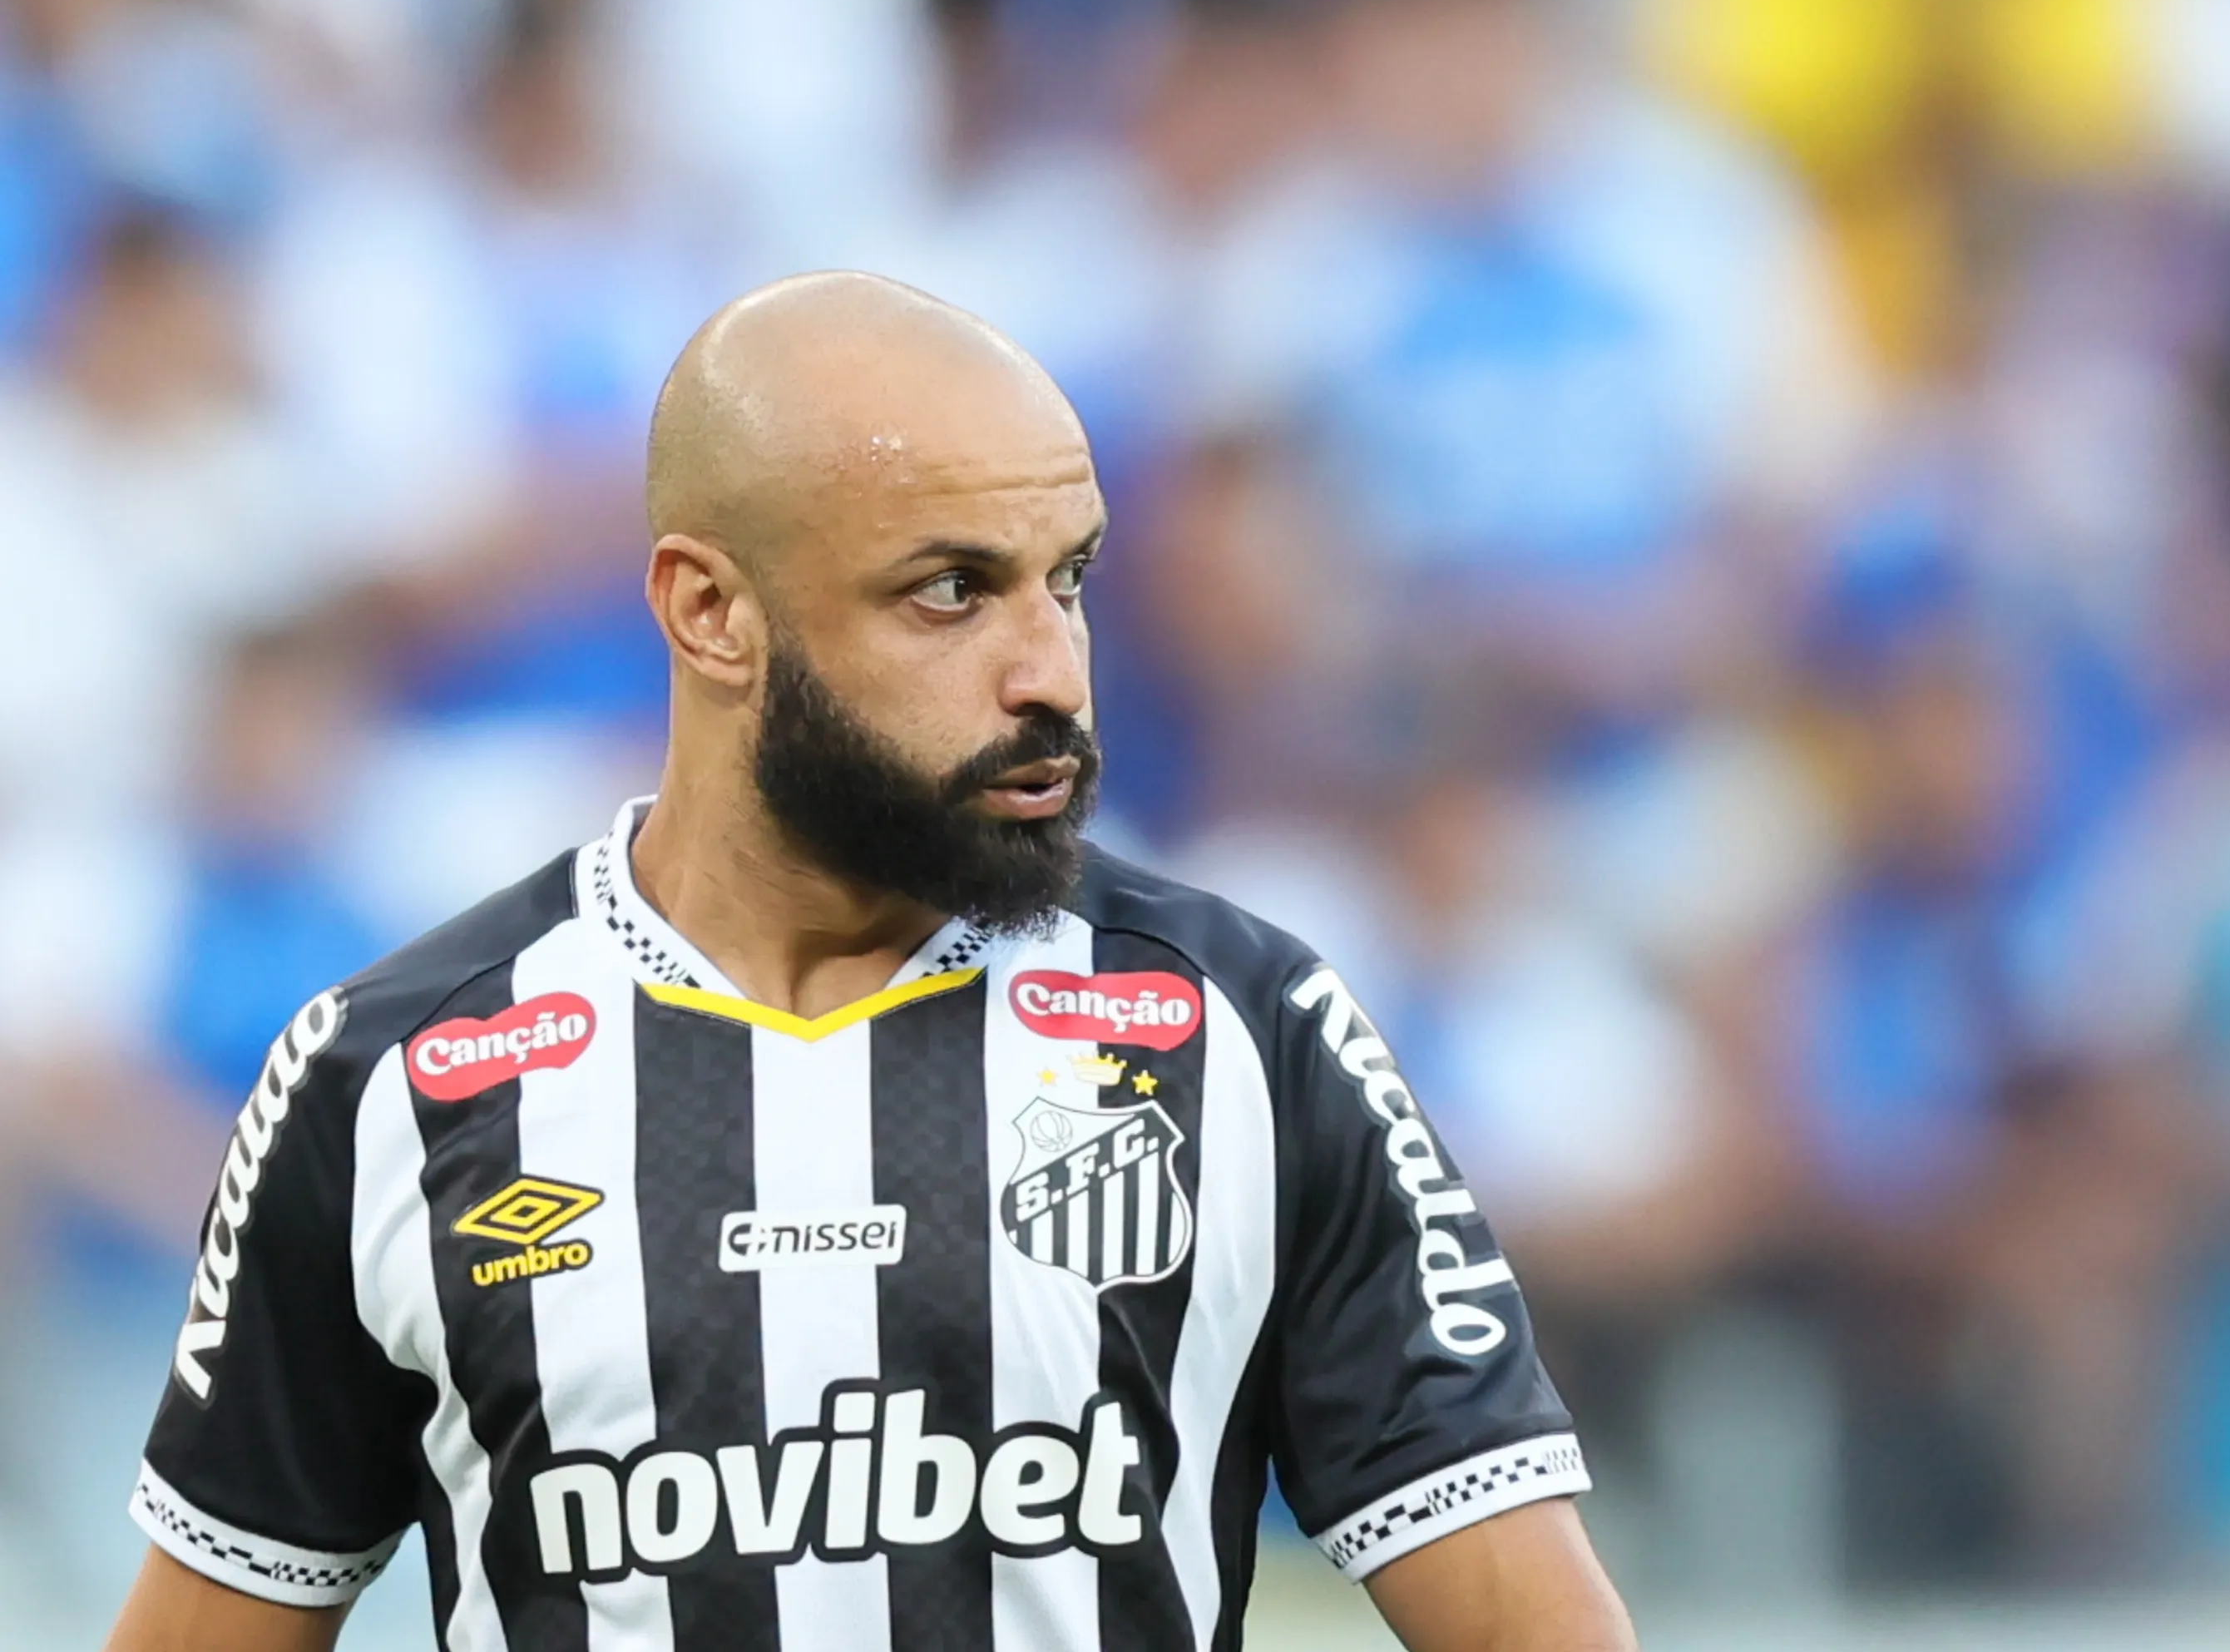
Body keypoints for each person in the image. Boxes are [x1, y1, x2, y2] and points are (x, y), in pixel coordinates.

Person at [102, 271, 1634, 1652]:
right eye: (951, 592)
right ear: (711, 614)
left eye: (1071, 579)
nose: (1050, 673)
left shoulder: (1240, 1034)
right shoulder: (394, 1083)